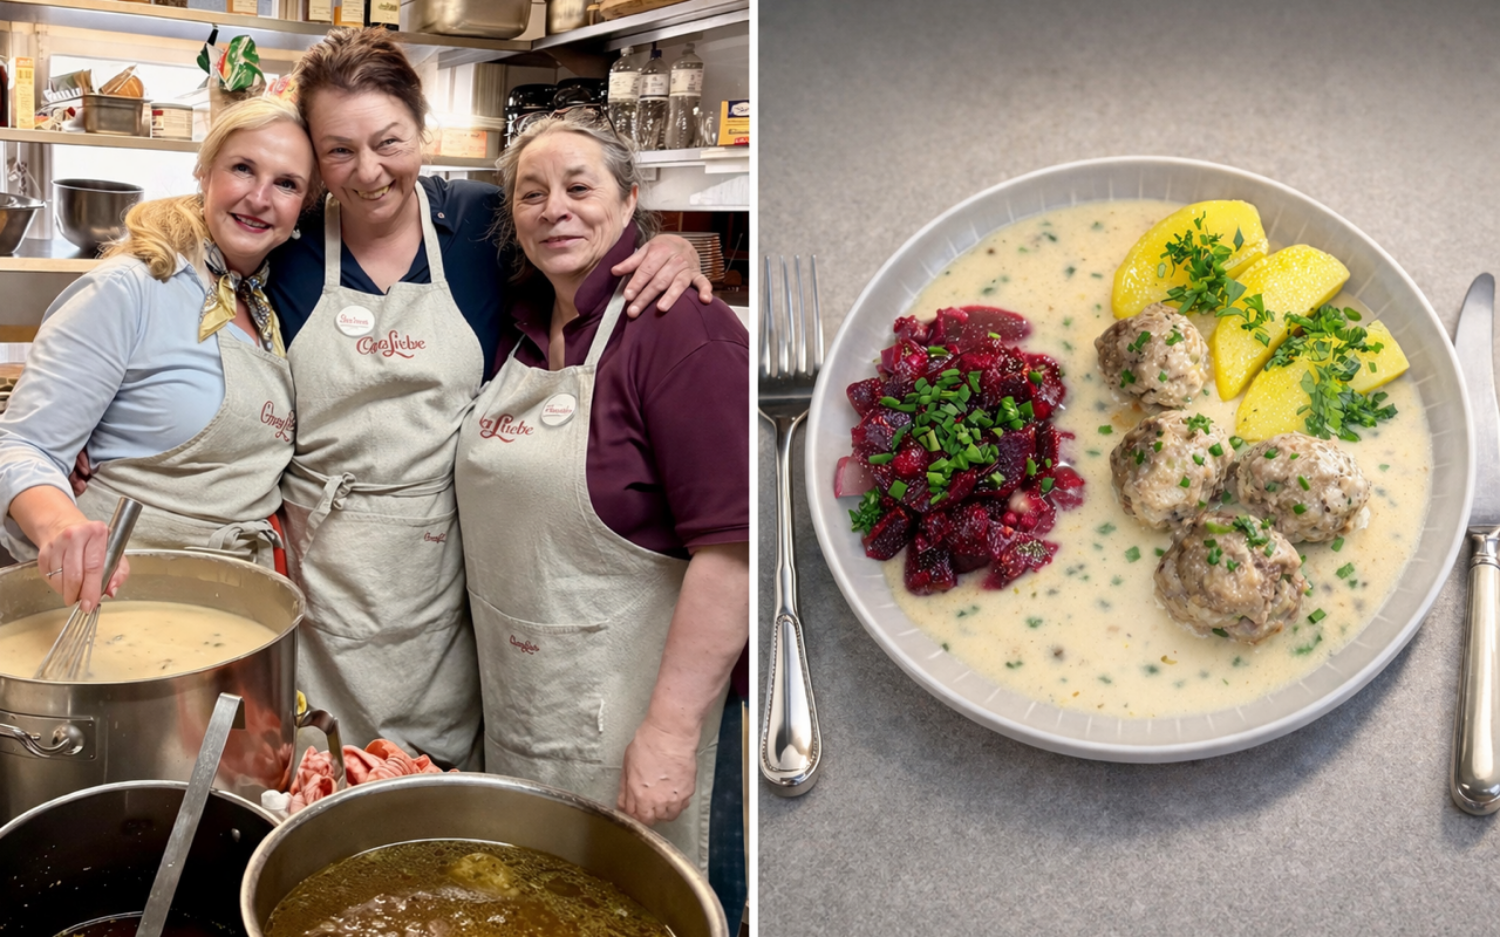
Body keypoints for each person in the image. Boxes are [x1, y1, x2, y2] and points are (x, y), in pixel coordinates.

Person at [265, 28, 711, 771]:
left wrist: (666, 245)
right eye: (338, 150)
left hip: (445, 580)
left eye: (389, 141)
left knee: (433, 804)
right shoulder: (290, 238)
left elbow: (577, 238)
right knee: (320, 782)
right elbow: (197, 272)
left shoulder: (478, 223)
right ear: (313, 155)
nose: (368, 171)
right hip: (321, 583)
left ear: (422, 129)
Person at [455, 111, 749, 869]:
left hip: (643, 726)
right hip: (530, 706)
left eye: (579, 187)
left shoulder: (679, 327)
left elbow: (737, 551)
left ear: (629, 199)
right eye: (531, 193)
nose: (555, 208)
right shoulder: (515, 325)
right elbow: (378, 182)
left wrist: (672, 732)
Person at [0, 97, 316, 613]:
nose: (260, 198)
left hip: (227, 607)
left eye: (286, 183)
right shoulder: (132, 288)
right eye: (242, 168)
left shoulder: (269, 306)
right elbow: (20, 447)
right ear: (204, 171)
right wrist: (63, 523)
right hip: (108, 598)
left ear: (303, 205)